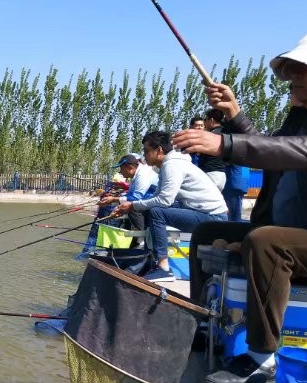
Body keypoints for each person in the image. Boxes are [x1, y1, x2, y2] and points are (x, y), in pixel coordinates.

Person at [172, 28, 307, 383]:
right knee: (209, 233)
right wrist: (235, 117)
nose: (293, 77)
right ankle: (202, 322)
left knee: (266, 242)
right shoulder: (306, 114)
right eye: (291, 68)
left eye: (306, 68)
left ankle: (262, 357)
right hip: (300, 231)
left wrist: (224, 143)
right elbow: (277, 147)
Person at [111, 130, 228, 282]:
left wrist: (133, 206)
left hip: (213, 218)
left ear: (159, 150)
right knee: (151, 209)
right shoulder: (169, 165)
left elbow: (164, 201)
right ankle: (152, 259)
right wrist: (127, 205)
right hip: (204, 213)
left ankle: (163, 267)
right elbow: (157, 196)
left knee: (156, 212)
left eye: (146, 151)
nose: (144, 156)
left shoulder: (172, 165)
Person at [98, 153, 159, 232]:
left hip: (158, 204)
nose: (120, 172)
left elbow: (136, 198)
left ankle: (140, 236)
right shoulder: (136, 175)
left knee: (132, 206)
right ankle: (132, 237)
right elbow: (130, 194)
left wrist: (113, 199)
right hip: (149, 201)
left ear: (129, 167)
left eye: (121, 168)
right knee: (126, 206)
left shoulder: (143, 175)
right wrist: (113, 200)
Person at [198, 109, 227, 190]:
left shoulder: (210, 136)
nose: (204, 123)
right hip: (222, 175)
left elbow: (199, 153)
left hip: (210, 174)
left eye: (205, 120)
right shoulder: (226, 134)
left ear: (211, 120)